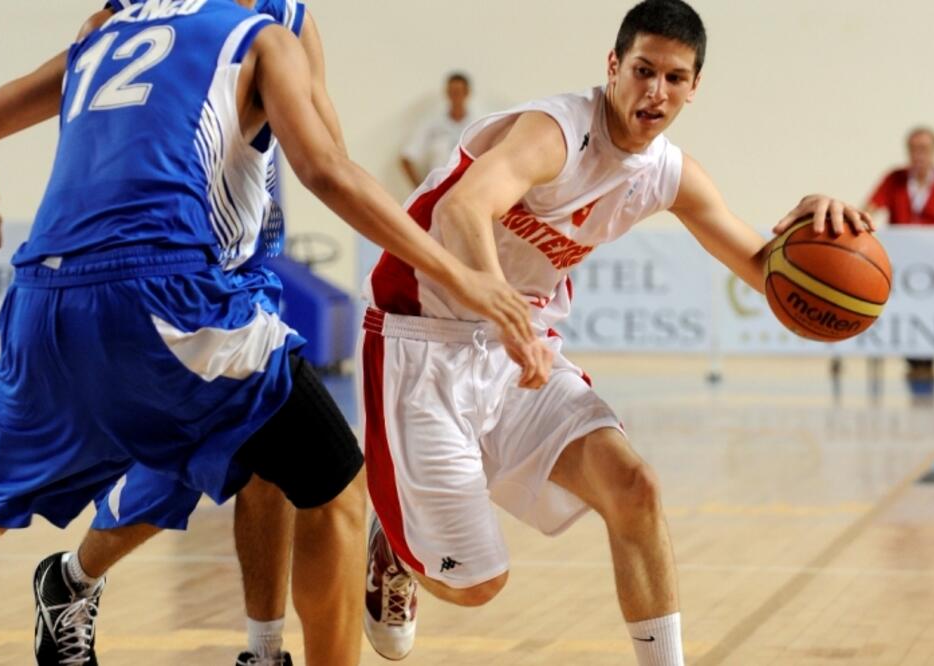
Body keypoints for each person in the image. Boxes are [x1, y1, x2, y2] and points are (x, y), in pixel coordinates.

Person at [0, 4, 534, 666]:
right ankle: (102, 588)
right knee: (332, 483)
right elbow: (329, 168)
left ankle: (250, 646)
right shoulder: (264, 36)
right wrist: (460, 275)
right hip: (175, 298)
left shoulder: (110, 26)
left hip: (43, 298)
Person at [358, 1, 872, 665]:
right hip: (421, 335)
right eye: (643, 70)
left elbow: (765, 269)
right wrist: (497, 306)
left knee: (636, 489)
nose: (656, 91)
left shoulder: (668, 172)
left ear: (694, 87)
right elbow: (462, 207)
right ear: (613, 67)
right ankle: (397, 545)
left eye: (675, 78)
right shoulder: (557, 132)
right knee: (479, 585)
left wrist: (814, 226)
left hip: (521, 350)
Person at [866, 126, 934, 387]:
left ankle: (925, 362)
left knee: (928, 313)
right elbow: (870, 208)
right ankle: (912, 361)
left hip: (933, 271)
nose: (918, 155)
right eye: (913, 149)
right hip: (901, 266)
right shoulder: (894, 180)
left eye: (924, 149)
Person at [399, 72, 475, 188]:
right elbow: (407, 158)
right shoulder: (432, 123)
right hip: (439, 189)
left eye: (459, 92)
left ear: (467, 93)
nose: (456, 97)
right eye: (452, 92)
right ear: (447, 93)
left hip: (470, 188)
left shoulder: (478, 123)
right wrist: (421, 189)